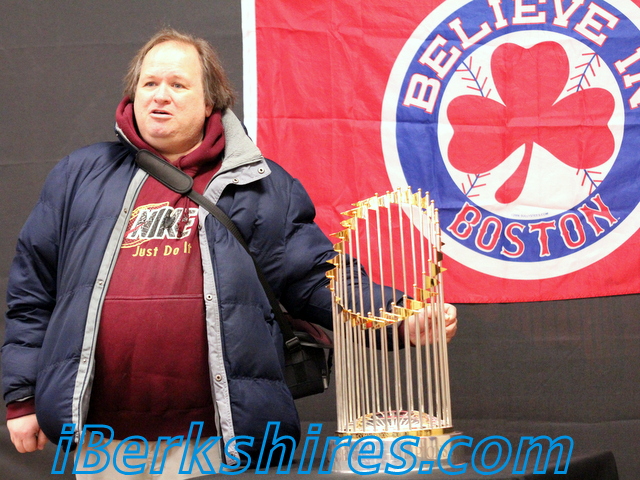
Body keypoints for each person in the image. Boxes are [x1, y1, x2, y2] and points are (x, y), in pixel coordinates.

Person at [2, 28, 457, 478]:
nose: (160, 96)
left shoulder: (260, 185)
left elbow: (316, 278)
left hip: (216, 441)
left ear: (209, 103)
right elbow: (33, 292)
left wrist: (400, 315)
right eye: (149, 83)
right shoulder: (79, 175)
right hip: (103, 443)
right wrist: (22, 396)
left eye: (178, 85)